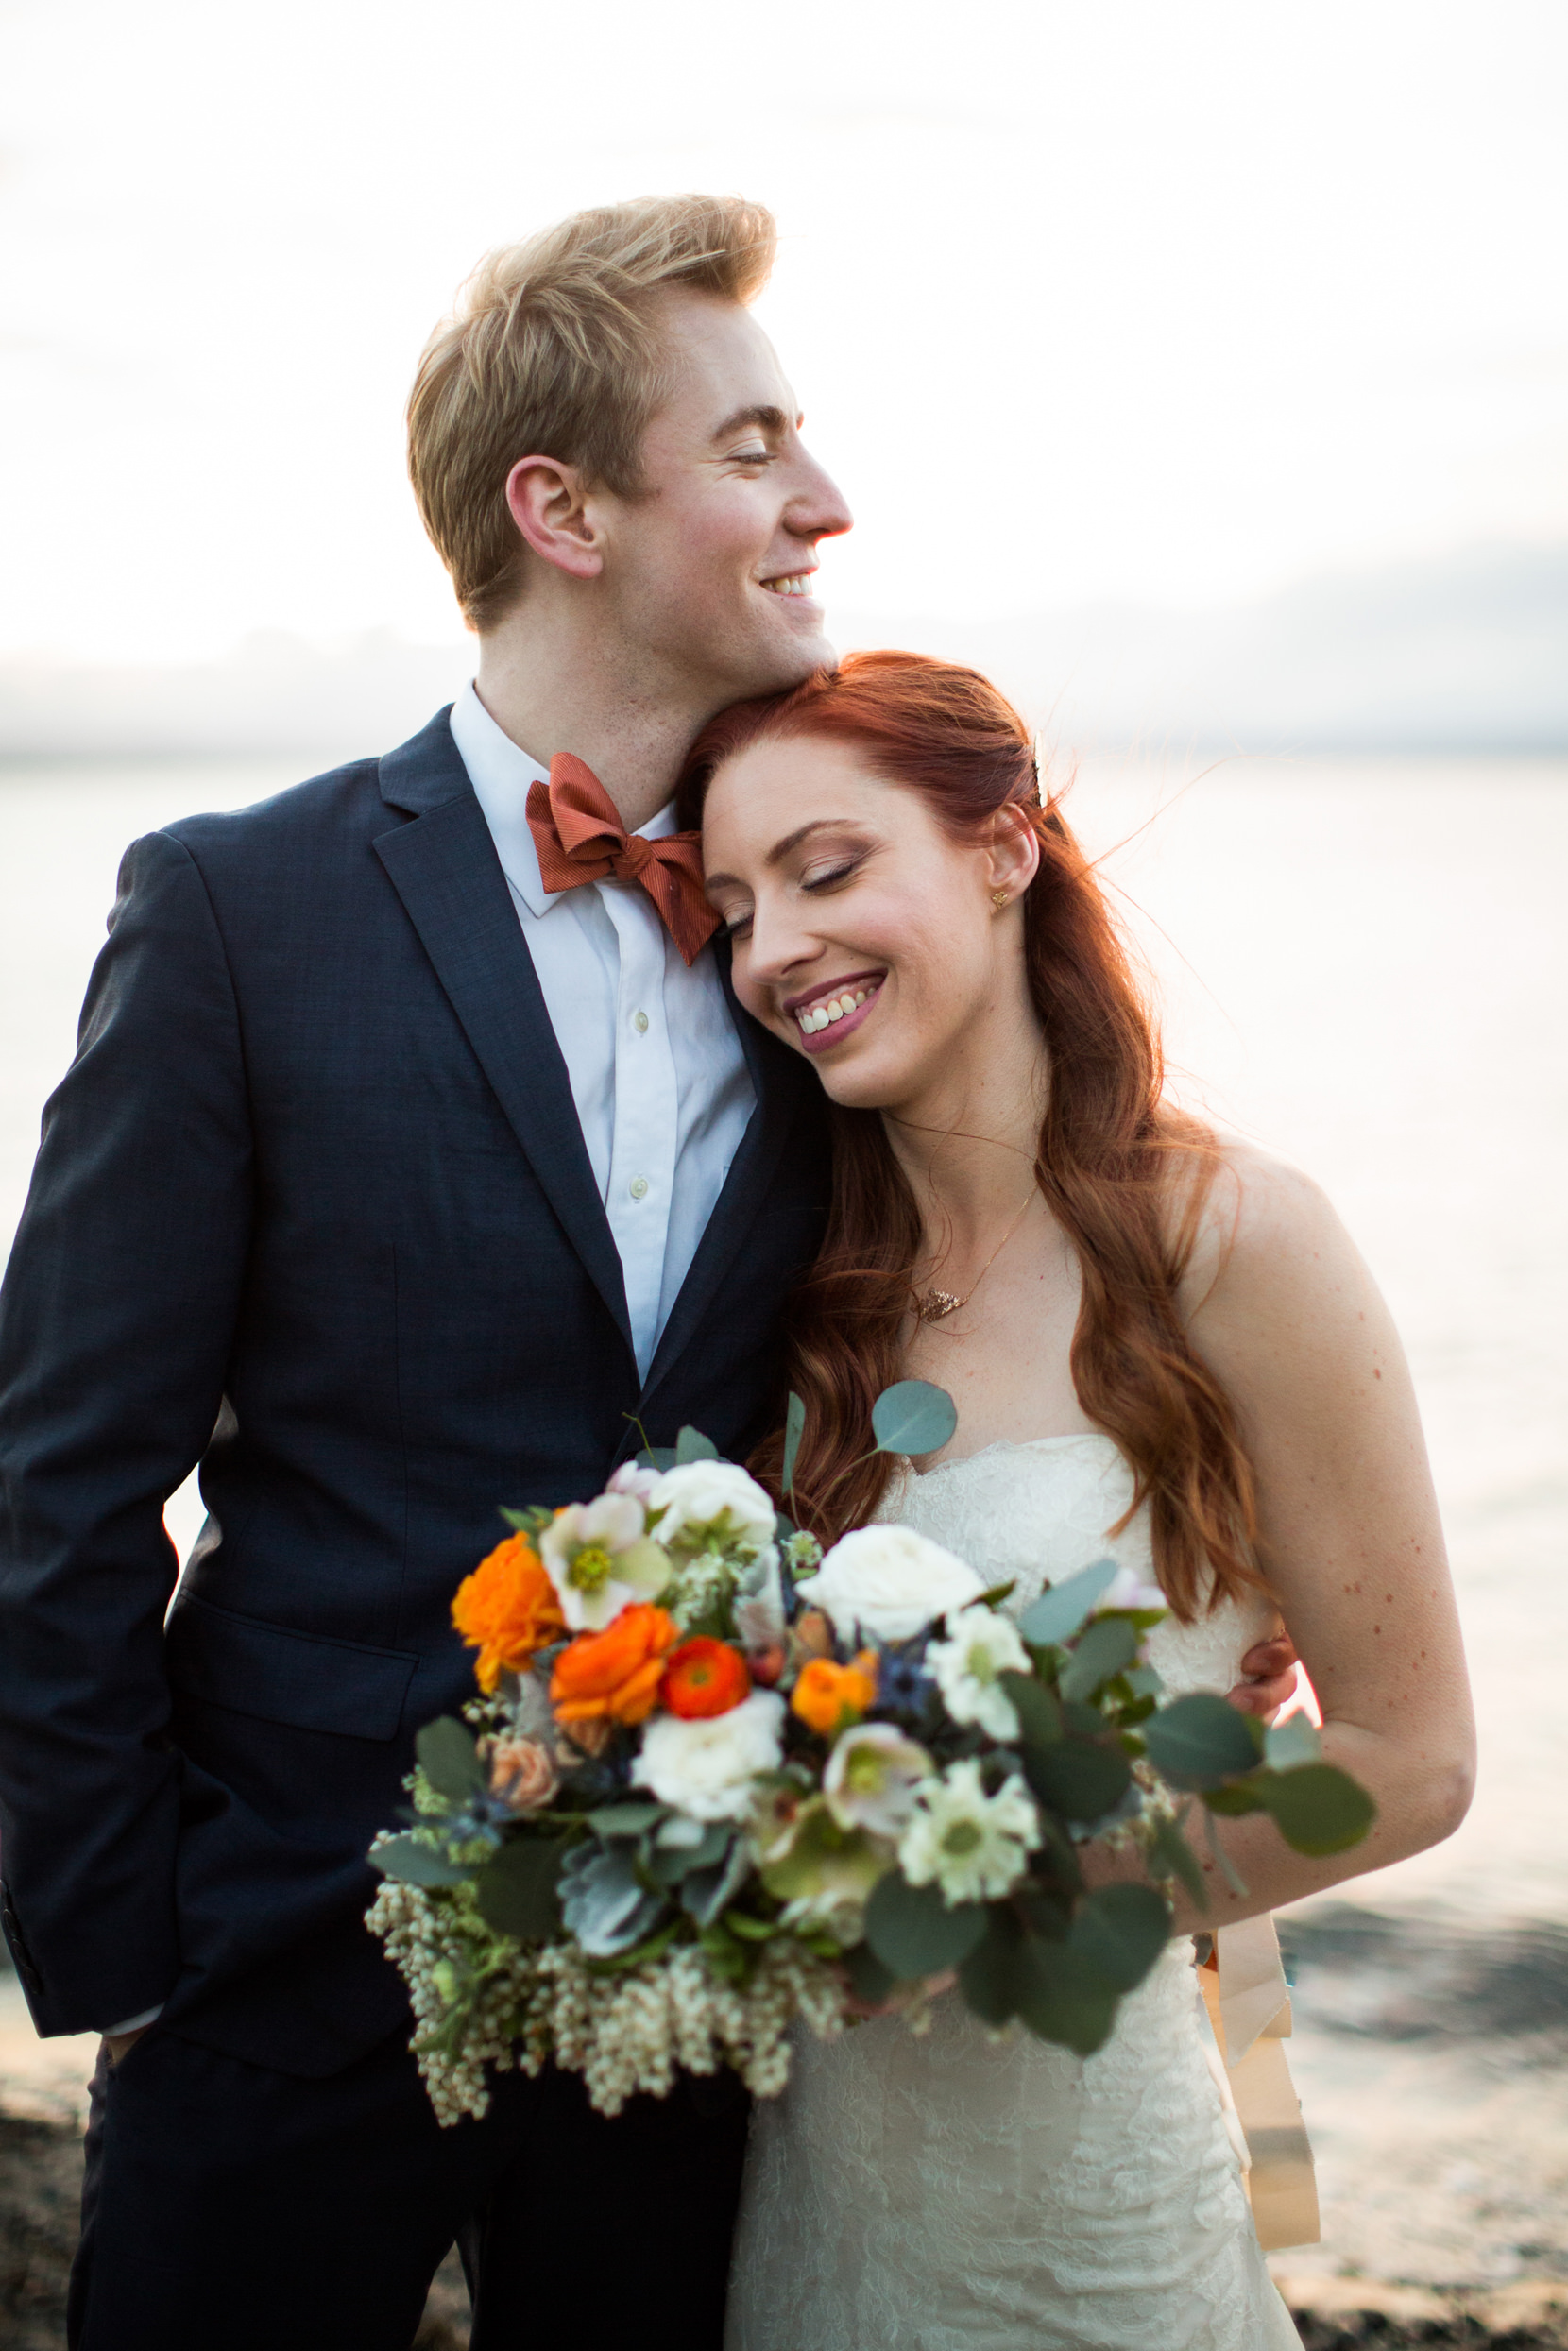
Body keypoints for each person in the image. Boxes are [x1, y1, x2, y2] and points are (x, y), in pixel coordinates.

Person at [0, 198, 1294, 2349]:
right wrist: (122, 1946)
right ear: (562, 508)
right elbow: (59, 1478)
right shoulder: (238, 912)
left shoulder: (829, 936)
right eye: (757, 444)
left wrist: (1171, 1607)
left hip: (704, 1996)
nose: (827, 501)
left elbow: (1000, 1285)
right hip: (277, 1963)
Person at [687, 650, 1476, 2351]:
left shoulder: (1234, 1239)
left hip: (1093, 2224)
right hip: (816, 2209)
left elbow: (1411, 1765)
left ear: (1005, 845)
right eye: (733, 909)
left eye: (828, 871)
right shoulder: (798, 1292)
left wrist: (1004, 1900)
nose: (775, 951)